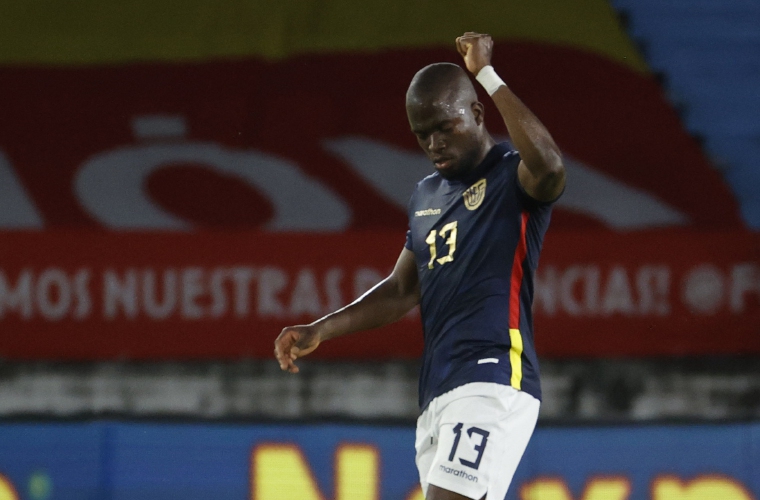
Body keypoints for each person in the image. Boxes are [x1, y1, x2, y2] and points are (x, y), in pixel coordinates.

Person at [274, 32, 565, 500]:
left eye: (444, 128)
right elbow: (401, 288)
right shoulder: (426, 195)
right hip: (438, 393)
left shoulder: (513, 175)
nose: (433, 143)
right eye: (421, 133)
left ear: (475, 113)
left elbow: (550, 165)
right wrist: (321, 329)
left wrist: (485, 74)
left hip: (492, 377)